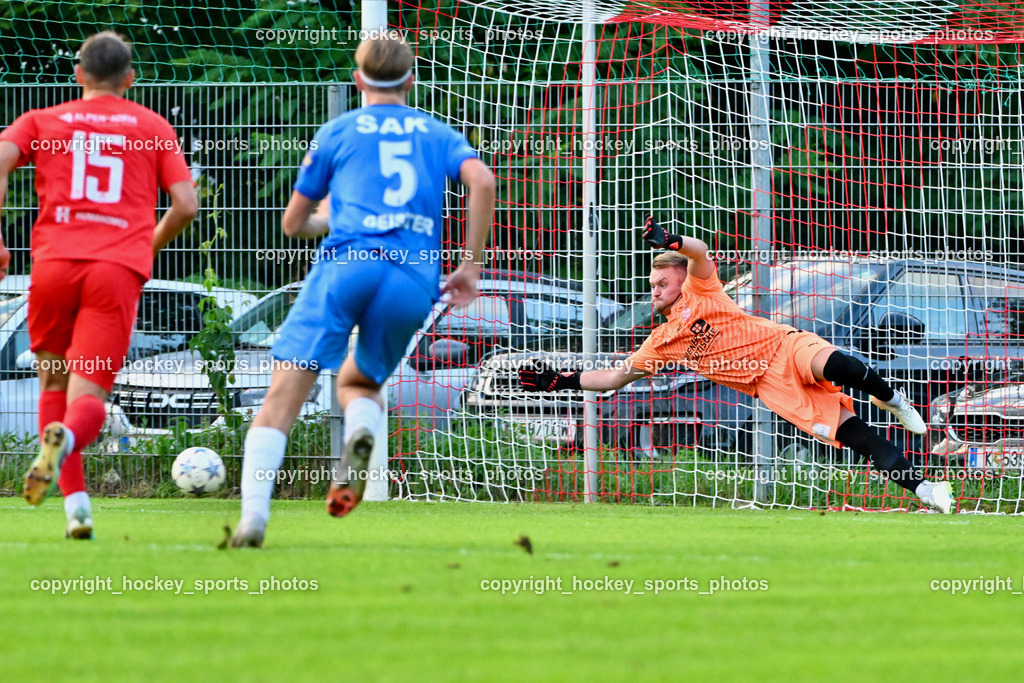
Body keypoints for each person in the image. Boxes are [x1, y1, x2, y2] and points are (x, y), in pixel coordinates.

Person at [230, 33, 495, 547]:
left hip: (348, 264)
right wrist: (470, 265)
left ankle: (254, 519)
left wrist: (330, 215)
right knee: (358, 384)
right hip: (413, 279)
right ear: (410, 81)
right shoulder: (435, 132)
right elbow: (482, 182)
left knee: (282, 398)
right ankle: (359, 437)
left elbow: (293, 223)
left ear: (358, 80)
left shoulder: (340, 131)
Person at [518, 216, 955, 514]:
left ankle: (892, 398)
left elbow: (700, 252)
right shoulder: (661, 341)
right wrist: (562, 379)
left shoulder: (702, 292)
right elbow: (614, 375)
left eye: (661, 281)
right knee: (857, 437)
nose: (654, 289)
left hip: (784, 347)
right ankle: (928, 491)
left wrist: (672, 241)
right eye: (651, 283)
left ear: (680, 281)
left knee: (840, 364)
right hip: (771, 387)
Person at [0, 32, 198, 538]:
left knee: (53, 382)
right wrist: (142, 249)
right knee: (88, 394)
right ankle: (65, 444)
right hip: (114, 270)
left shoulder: (42, 121)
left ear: (78, 73)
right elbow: (186, 205)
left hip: (53, 266)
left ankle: (78, 509)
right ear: (130, 79)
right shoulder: (153, 127)